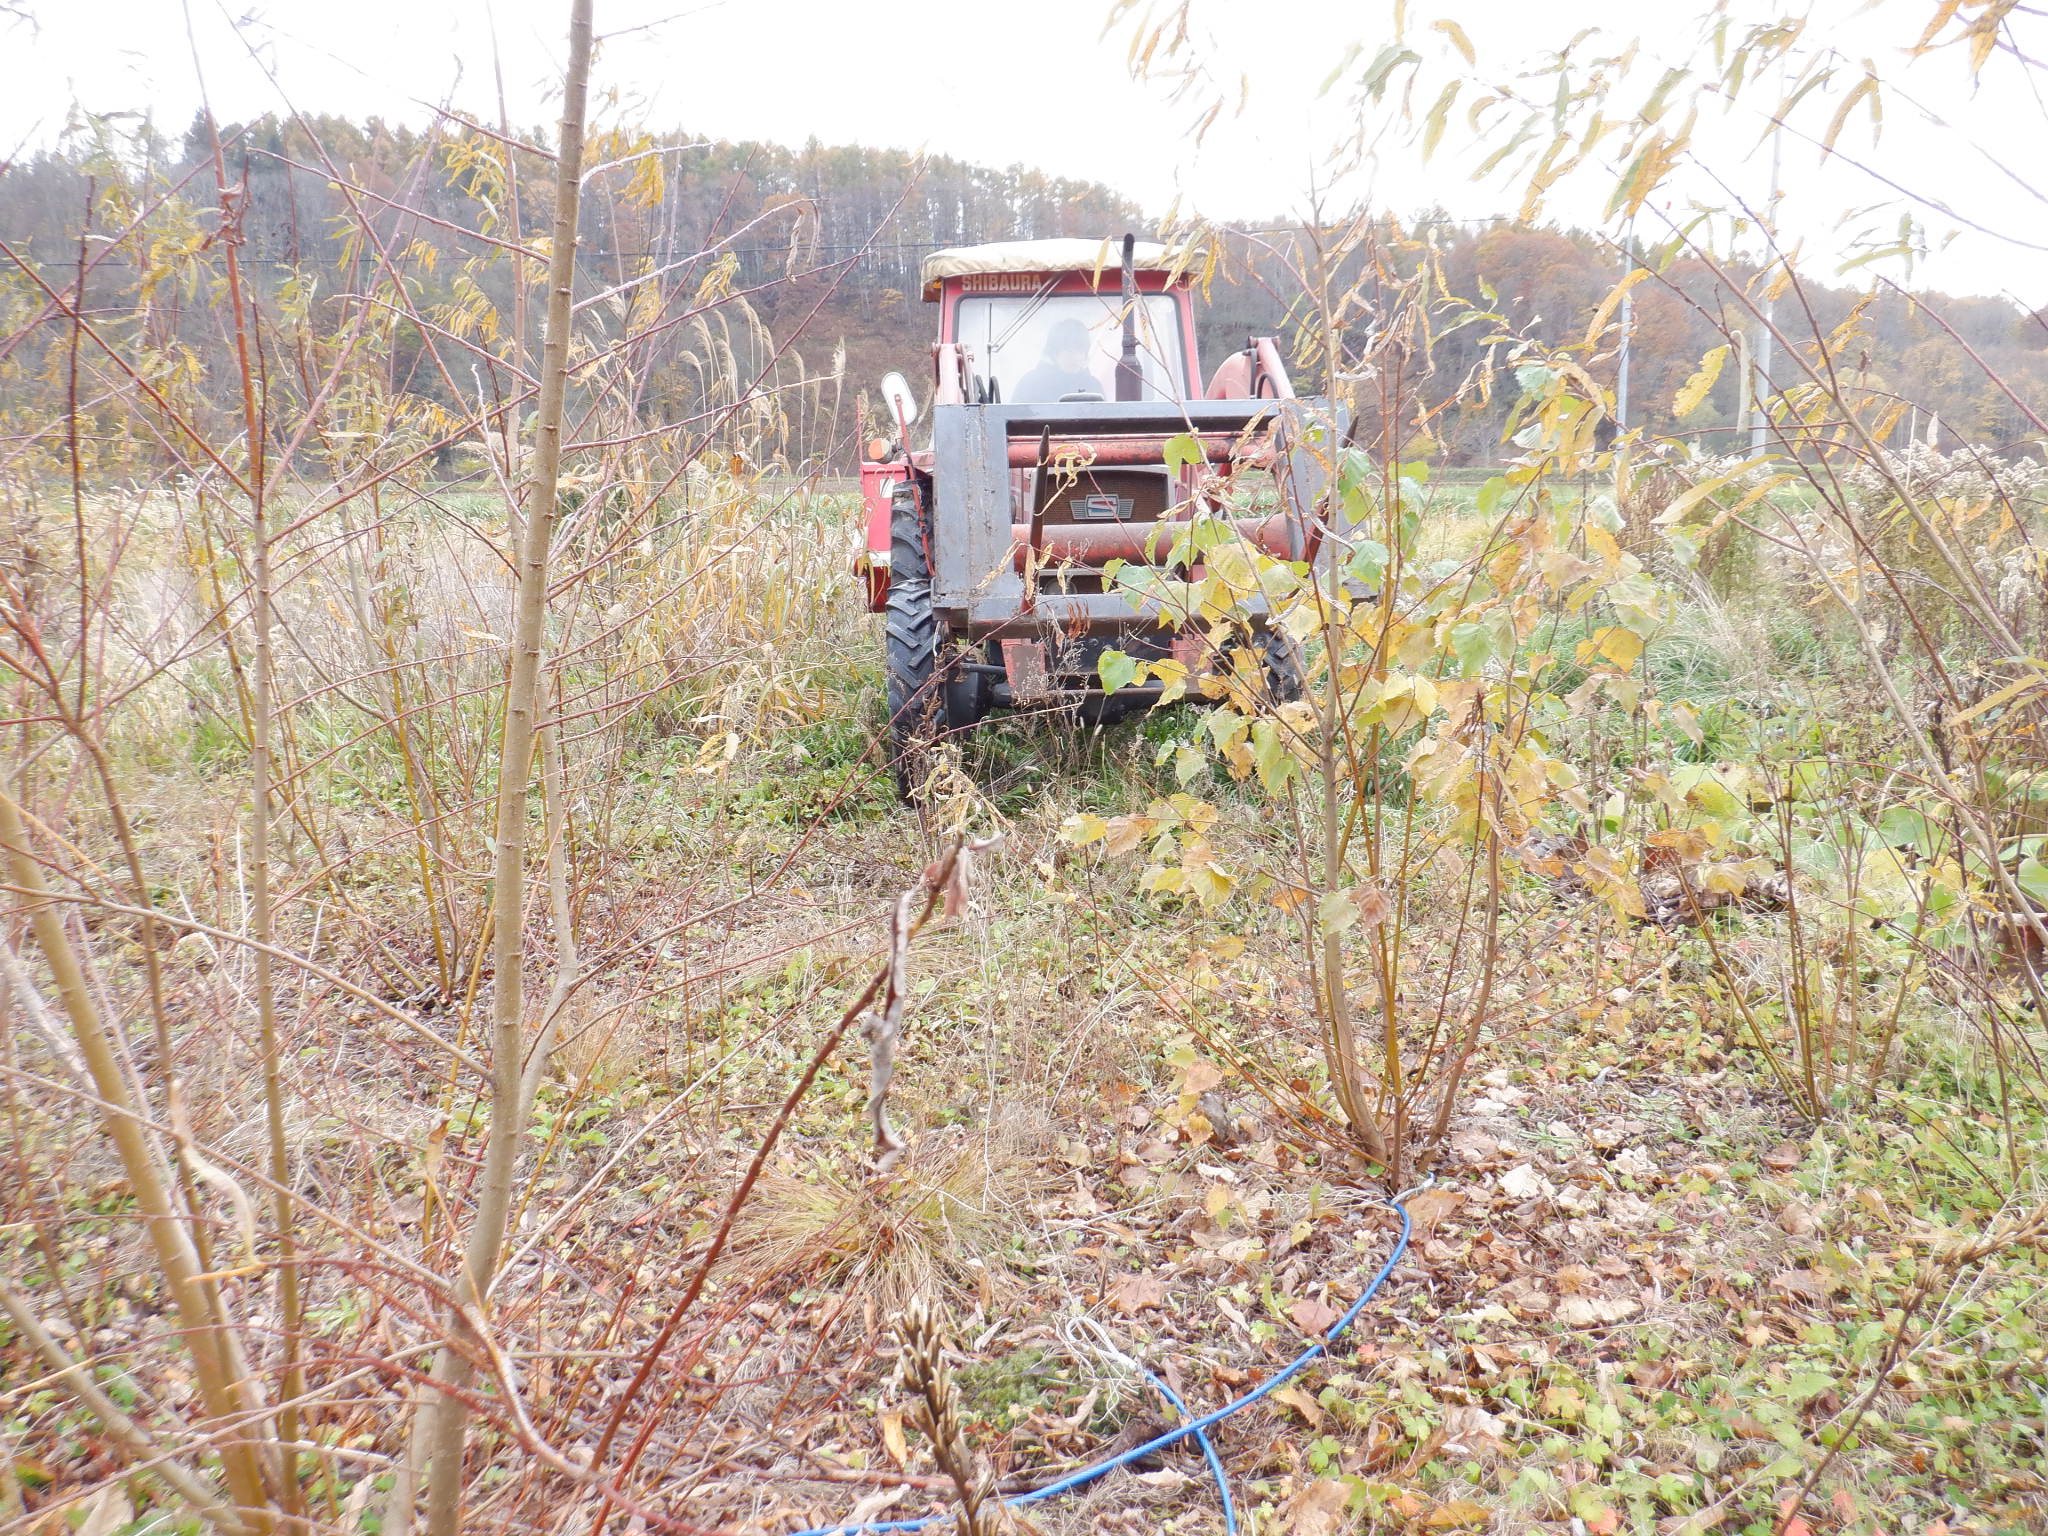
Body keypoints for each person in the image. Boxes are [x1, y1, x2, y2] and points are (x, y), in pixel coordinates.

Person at [1014, 317, 1102, 401]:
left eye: (1081, 351)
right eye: (1069, 351)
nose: (1076, 357)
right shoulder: (1030, 384)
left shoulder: (1093, 387)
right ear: (1055, 353)